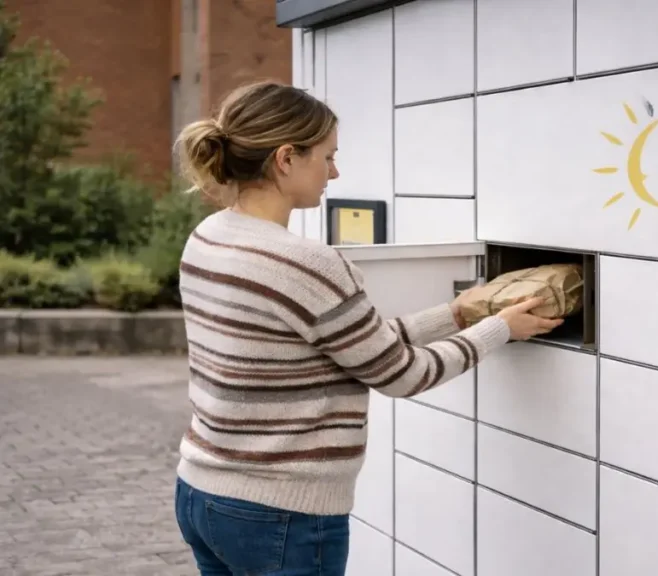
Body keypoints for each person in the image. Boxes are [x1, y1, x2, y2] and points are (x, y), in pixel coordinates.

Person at [170, 80, 561, 576]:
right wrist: (498, 329)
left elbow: (345, 344)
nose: (335, 172)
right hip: (281, 513)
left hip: (202, 494)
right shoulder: (306, 263)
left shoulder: (209, 236)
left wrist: (455, 315)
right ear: (286, 158)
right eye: (328, 157)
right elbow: (402, 375)